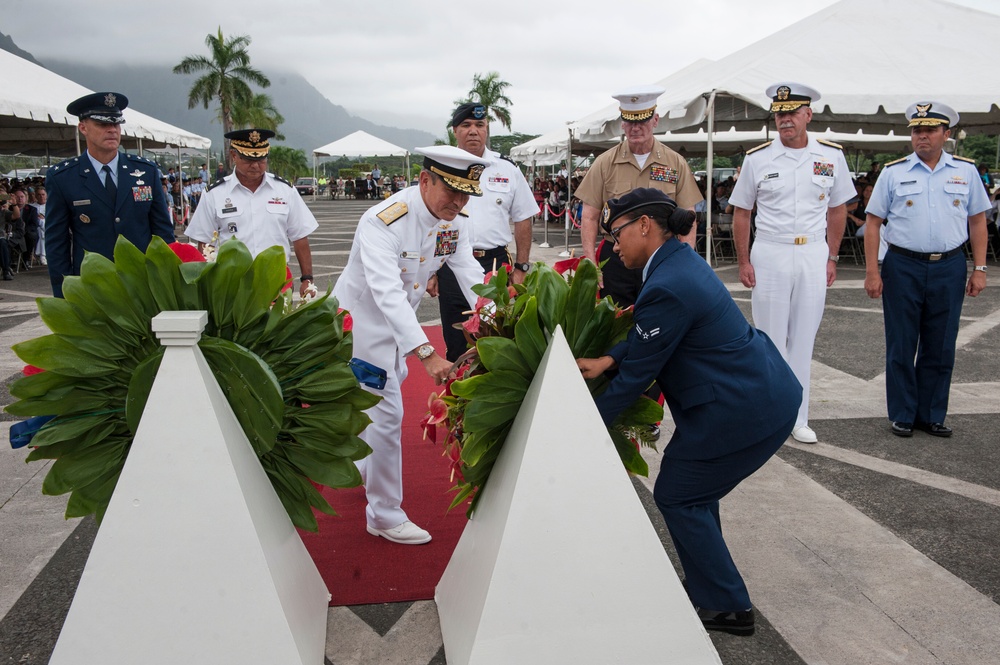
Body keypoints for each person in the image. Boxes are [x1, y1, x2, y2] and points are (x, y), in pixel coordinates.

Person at [577, 188, 801, 636]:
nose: (611, 245)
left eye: (616, 233)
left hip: (742, 406)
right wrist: (608, 359)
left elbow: (638, 376)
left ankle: (729, 607)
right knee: (691, 491)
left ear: (644, 225)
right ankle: (709, 589)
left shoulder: (668, 281)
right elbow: (650, 334)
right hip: (751, 391)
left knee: (679, 494)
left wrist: (582, 428)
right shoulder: (675, 262)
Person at [333, 146, 487, 545]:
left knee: (379, 399)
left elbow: (470, 273)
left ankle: (363, 464)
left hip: (399, 329)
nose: (458, 201)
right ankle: (383, 514)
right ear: (424, 181)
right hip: (360, 329)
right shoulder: (383, 222)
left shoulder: (454, 220)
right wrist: (426, 353)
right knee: (386, 413)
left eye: (466, 193)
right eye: (451, 191)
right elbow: (386, 293)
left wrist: (495, 318)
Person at [729, 83, 855, 444]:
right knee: (769, 340)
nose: (785, 119)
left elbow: (837, 209)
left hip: (813, 253)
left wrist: (831, 256)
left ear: (807, 115)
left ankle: (798, 416)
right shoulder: (758, 159)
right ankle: (769, 415)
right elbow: (742, 212)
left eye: (792, 113)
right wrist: (743, 260)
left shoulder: (831, 156)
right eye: (779, 114)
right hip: (770, 252)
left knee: (803, 338)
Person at [863, 101, 990, 438]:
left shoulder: (966, 171)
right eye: (917, 130)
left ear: (945, 134)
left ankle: (931, 414)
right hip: (902, 265)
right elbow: (873, 223)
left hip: (949, 265)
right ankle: (903, 413)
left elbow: (977, 221)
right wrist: (872, 270)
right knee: (902, 343)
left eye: (930, 129)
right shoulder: (893, 172)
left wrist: (979, 267)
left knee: (941, 344)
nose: (922, 136)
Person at [427, 103, 539, 361]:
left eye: (480, 125)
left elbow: (523, 218)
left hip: (495, 265)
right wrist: (431, 269)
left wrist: (521, 267)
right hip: (450, 264)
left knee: (497, 339)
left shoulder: (507, 169)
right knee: (456, 341)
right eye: (466, 125)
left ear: (487, 129)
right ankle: (457, 398)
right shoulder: (440, 167)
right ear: (455, 130)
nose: (473, 131)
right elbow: (429, 220)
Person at [576, 85, 702, 307]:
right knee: (615, 320)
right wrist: (590, 262)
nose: (636, 128)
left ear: (655, 120)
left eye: (642, 120)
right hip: (616, 258)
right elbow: (589, 216)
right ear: (622, 123)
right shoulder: (605, 163)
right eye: (630, 121)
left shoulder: (675, 163)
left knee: (661, 317)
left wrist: (686, 261)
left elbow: (688, 217)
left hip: (662, 257)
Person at [45, 92, 174, 298]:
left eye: (116, 124)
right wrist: (65, 294)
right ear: (83, 128)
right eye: (102, 124)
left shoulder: (145, 171)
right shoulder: (63, 177)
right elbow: (56, 242)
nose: (112, 130)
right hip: (94, 287)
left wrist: (169, 281)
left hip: (144, 285)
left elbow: (162, 232)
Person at [185, 129, 318, 299]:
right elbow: (204, 242)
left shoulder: (285, 191)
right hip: (231, 284)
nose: (255, 165)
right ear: (234, 155)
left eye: (261, 159)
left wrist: (307, 279)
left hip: (276, 282)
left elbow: (300, 237)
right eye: (248, 159)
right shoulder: (214, 194)